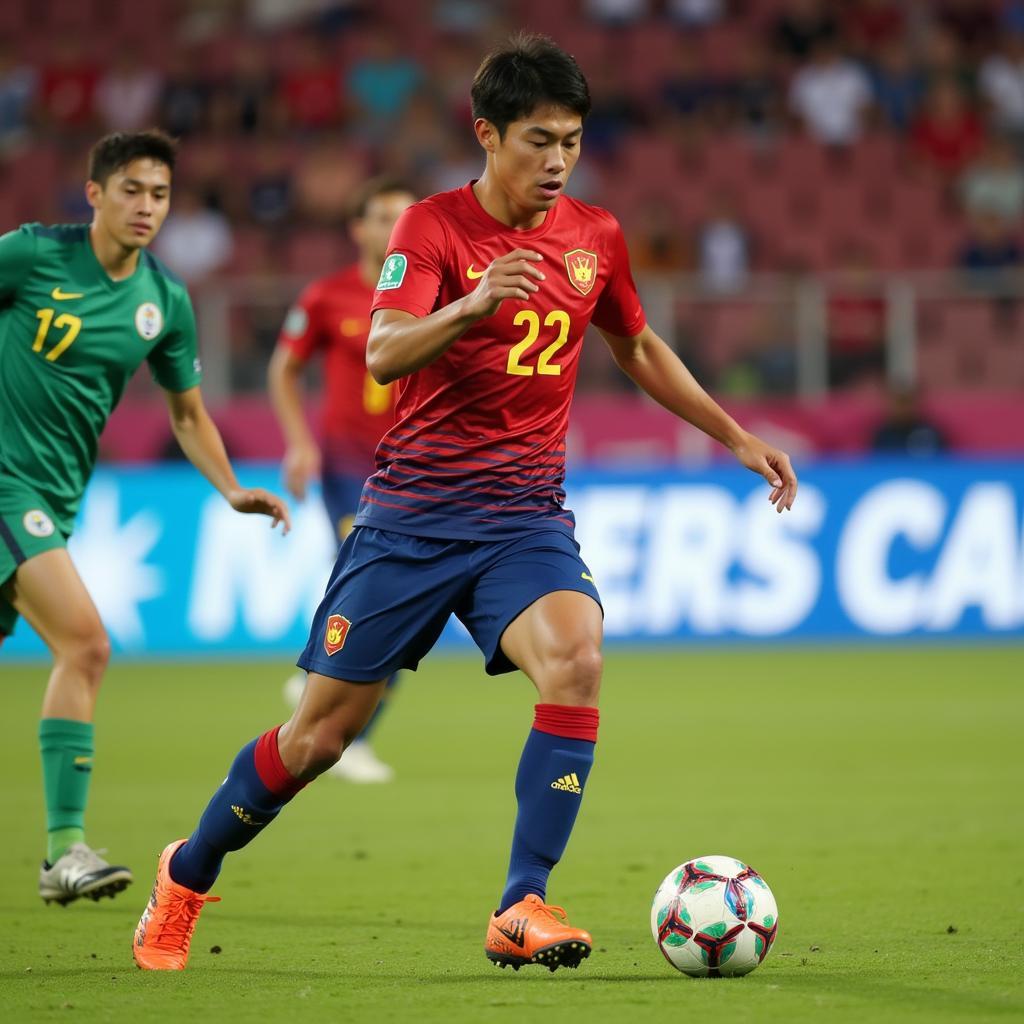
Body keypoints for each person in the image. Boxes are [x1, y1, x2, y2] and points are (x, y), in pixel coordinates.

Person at [133, 34, 797, 974]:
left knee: (577, 657)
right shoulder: (432, 231)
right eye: (538, 140)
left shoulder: (594, 237)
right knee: (319, 738)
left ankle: (520, 902)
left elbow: (637, 347)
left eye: (571, 139)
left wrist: (735, 436)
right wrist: (471, 306)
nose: (558, 160)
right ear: (486, 134)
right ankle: (188, 873)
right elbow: (383, 352)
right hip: (408, 521)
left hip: (524, 520)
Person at [0, 130, 291, 908]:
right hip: (7, 486)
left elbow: (189, 415)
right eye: (131, 190)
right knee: (85, 644)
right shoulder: (31, 256)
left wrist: (230, 489)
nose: (146, 207)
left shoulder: (162, 300)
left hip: (54, 498)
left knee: (78, 649)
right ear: (93, 193)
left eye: (159, 195)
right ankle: (64, 849)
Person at [268, 176, 416, 783]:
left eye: (405, 217)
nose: (394, 228)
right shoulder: (327, 296)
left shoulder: (433, 293)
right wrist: (299, 444)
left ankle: (330, 701)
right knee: (381, 582)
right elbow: (284, 370)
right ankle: (329, 704)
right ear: (358, 227)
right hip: (349, 466)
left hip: (414, 466)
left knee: (411, 602)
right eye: (383, 217)